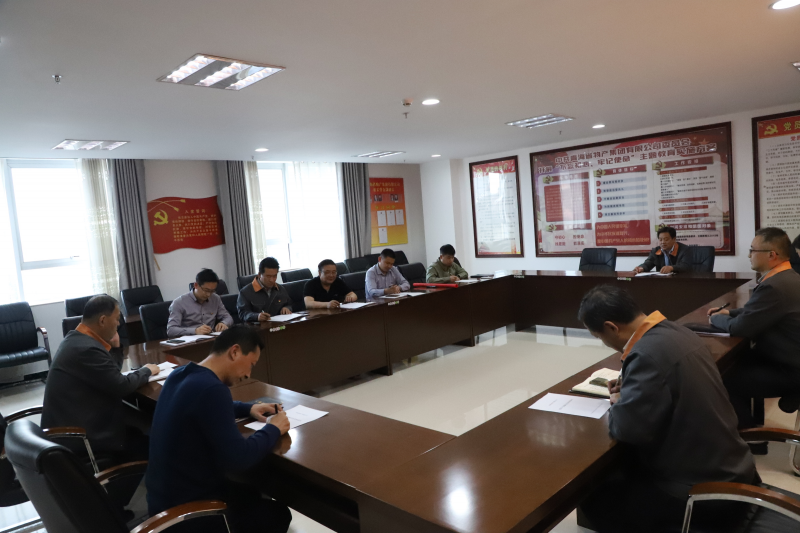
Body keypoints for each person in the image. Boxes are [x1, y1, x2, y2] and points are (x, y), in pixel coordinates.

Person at [577, 285, 756, 533]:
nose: (604, 343)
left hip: (706, 496)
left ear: (611, 327)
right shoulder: (678, 331)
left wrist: (619, 400)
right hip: (737, 471)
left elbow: (627, 430)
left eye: (599, 336)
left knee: (594, 499)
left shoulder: (645, 354)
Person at [146, 326, 291, 533]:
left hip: (163, 502)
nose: (248, 374)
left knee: (250, 493)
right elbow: (239, 458)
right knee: (278, 514)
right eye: (251, 364)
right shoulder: (213, 389)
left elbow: (200, 405)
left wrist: (247, 408)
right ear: (235, 351)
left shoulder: (180, 374)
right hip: (186, 515)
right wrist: (273, 428)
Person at [42, 295, 160, 461]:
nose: (118, 324)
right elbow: (121, 386)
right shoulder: (86, 349)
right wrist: (146, 370)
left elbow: (110, 374)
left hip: (79, 421)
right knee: (157, 444)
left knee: (142, 427)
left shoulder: (76, 339)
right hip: (84, 437)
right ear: (103, 320)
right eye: (117, 319)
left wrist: (116, 348)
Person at [709, 227, 800, 433]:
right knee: (737, 362)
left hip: (790, 370)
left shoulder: (775, 286)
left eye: (752, 250)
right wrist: (730, 312)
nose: (749, 255)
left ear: (771, 255)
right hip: (787, 359)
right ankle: (754, 424)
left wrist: (716, 318)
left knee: (723, 380)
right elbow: (763, 310)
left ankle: (750, 438)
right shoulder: (788, 277)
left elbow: (739, 328)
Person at [167, 268, 233, 338]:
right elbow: (171, 330)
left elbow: (228, 318)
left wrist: (224, 323)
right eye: (206, 290)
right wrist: (195, 331)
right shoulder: (179, 303)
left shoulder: (215, 298)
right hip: (190, 341)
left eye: (212, 291)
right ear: (196, 285)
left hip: (211, 338)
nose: (208, 294)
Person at [237, 257, 293, 322]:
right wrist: (256, 316)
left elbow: (289, 304)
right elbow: (243, 313)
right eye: (268, 276)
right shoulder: (245, 292)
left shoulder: (280, 289)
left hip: (279, 325)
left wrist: (287, 308)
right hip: (258, 326)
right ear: (259, 275)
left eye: (274, 276)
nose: (272, 280)